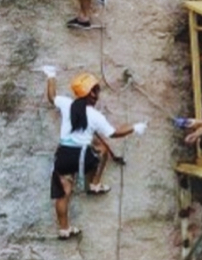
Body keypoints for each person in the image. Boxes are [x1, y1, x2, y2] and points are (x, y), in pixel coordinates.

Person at [43, 66, 145, 239]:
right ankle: (94, 184)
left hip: (64, 156)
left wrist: (51, 75)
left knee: (64, 193)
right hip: (83, 157)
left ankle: (64, 229)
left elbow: (52, 97)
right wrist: (135, 128)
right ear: (91, 94)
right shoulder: (95, 116)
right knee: (102, 149)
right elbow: (114, 133)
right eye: (97, 90)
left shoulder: (67, 105)